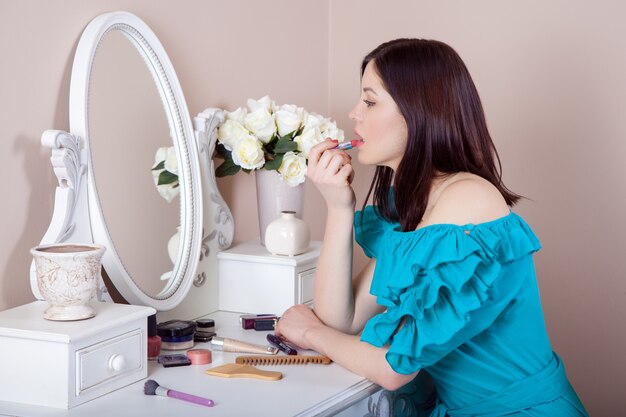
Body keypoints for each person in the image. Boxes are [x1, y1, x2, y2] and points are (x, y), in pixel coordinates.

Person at [274, 38, 588, 416]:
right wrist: (339, 207)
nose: (354, 112)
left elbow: (393, 367)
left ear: (419, 111)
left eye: (370, 101)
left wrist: (310, 333)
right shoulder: (417, 205)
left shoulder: (468, 199)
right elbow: (344, 318)